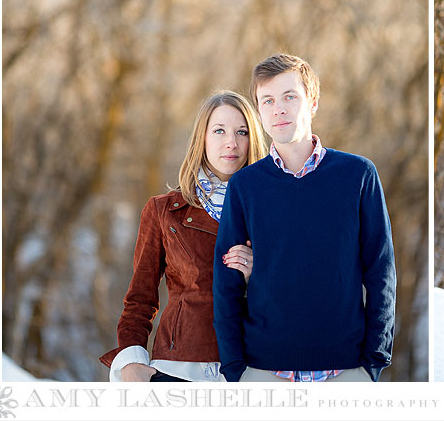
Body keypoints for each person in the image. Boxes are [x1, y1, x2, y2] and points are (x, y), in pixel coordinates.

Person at [212, 52, 396, 383]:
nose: (277, 109)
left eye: (289, 97)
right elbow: (225, 285)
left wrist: (373, 361)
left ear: (312, 103)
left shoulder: (358, 175)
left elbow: (381, 272)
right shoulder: (245, 186)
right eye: (266, 100)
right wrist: (235, 368)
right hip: (262, 373)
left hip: (346, 372)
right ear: (259, 112)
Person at [100, 90, 268, 382]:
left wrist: (258, 272)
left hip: (256, 364)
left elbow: (295, 293)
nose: (232, 142)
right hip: (180, 365)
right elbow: (140, 298)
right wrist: (131, 361)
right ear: (201, 138)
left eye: (242, 132)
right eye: (219, 131)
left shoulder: (272, 210)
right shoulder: (164, 211)